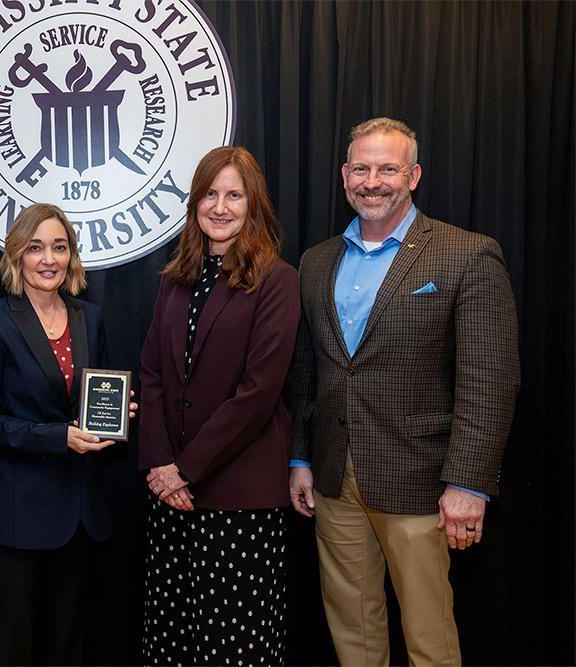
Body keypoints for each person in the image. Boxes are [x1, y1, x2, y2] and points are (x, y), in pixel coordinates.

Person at [289, 117, 520, 665]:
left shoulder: (465, 255)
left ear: (413, 175)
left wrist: (469, 482)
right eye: (362, 168)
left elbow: (489, 378)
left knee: (429, 638)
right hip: (333, 480)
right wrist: (300, 457)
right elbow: (307, 372)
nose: (374, 181)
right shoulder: (316, 262)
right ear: (344, 175)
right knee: (353, 632)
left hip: (420, 482)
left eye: (388, 168)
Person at [138, 146, 300, 665]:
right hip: (174, 498)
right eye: (211, 193)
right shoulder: (175, 279)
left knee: (233, 647)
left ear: (254, 205)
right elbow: (153, 374)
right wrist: (162, 467)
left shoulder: (277, 280)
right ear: (195, 202)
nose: (221, 206)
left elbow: (257, 394)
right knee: (175, 639)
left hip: (239, 499)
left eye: (235, 195)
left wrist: (185, 469)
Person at [0, 203, 135, 665]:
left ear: (72, 256)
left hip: (79, 511)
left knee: (67, 642)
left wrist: (118, 414)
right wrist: (57, 437)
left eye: (59, 247)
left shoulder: (89, 318)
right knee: (10, 644)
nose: (48, 259)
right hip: (18, 513)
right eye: (35, 248)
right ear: (17, 255)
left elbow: (91, 400)